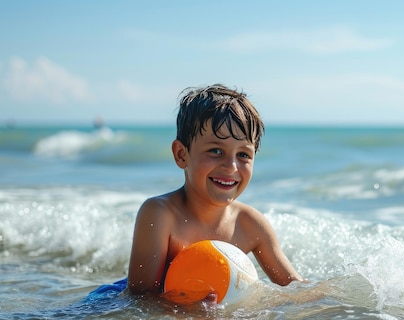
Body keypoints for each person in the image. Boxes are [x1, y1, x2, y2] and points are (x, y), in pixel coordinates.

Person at [126, 84, 305, 300]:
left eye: (244, 155)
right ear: (182, 154)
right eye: (216, 151)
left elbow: (297, 292)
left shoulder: (250, 224)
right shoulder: (160, 214)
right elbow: (139, 301)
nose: (231, 167)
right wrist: (187, 308)